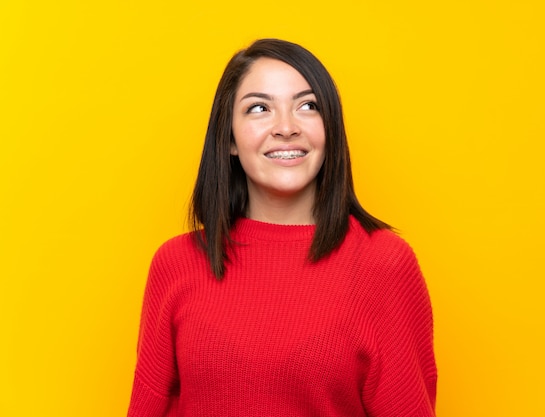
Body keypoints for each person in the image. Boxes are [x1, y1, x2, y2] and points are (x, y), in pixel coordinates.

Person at [127, 38, 437, 417]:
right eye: (259, 108)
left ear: (330, 130)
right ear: (230, 139)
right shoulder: (176, 263)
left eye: (308, 106)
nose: (286, 127)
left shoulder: (383, 264)